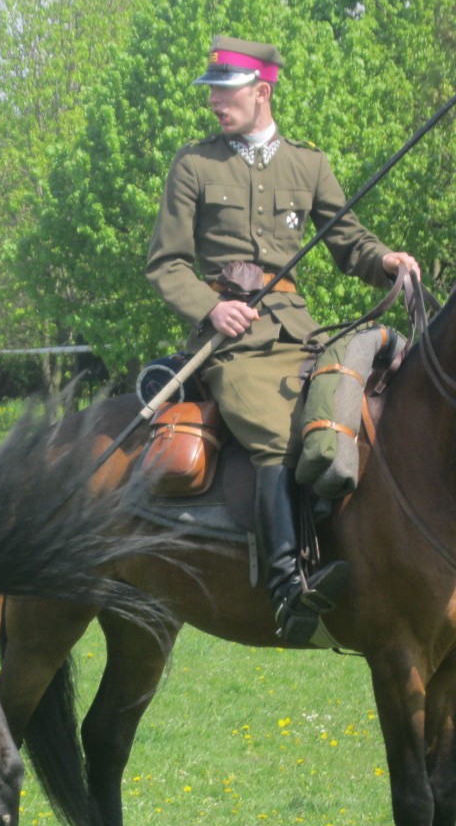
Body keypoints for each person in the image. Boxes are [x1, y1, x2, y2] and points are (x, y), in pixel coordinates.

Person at [146, 35, 420, 645]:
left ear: (261, 92)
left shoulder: (307, 164)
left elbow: (349, 241)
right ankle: (288, 590)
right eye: (212, 90)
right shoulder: (195, 165)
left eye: (226, 90)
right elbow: (165, 264)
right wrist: (212, 309)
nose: (215, 100)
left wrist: (387, 262)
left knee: (342, 419)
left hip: (298, 331)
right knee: (278, 435)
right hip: (231, 344)